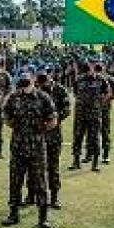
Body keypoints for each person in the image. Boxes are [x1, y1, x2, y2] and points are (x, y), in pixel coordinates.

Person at [1, 72, 57, 228]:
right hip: (18, 146)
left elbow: (53, 120)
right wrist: (15, 126)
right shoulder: (13, 97)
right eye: (22, 82)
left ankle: (43, 217)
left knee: (40, 182)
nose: (25, 85)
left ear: (33, 81)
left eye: (27, 82)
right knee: (15, 181)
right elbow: (6, 115)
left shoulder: (43, 98)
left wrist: (40, 130)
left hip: (36, 147)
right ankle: (13, 214)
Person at [36, 69, 71, 209]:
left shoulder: (60, 90)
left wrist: (53, 120)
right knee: (35, 167)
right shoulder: (35, 91)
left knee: (53, 166)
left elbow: (67, 109)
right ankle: (33, 195)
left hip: (54, 134)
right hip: (37, 135)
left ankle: (54, 197)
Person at [69, 61, 109, 172]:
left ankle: (95, 163)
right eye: (88, 67)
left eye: (92, 66)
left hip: (94, 114)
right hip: (80, 113)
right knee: (77, 137)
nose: (90, 69)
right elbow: (75, 92)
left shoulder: (101, 80)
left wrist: (99, 103)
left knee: (94, 138)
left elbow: (107, 93)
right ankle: (76, 161)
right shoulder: (79, 79)